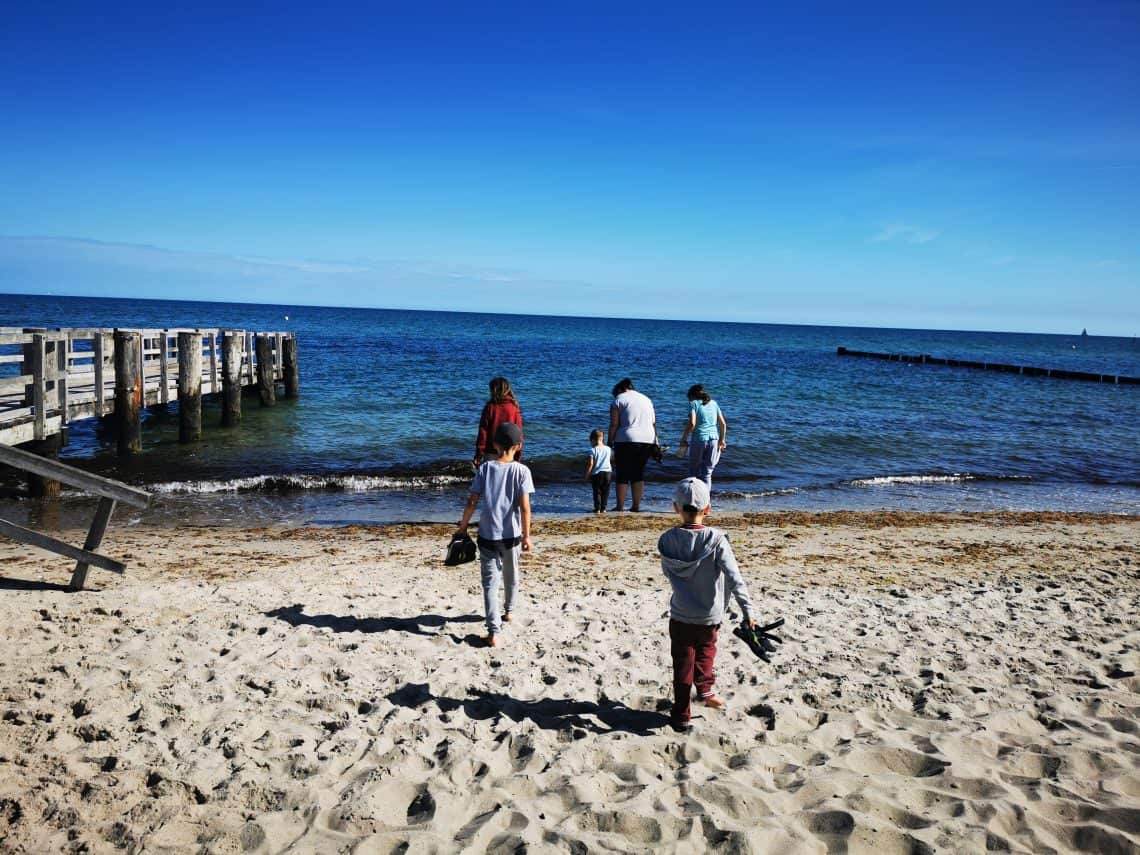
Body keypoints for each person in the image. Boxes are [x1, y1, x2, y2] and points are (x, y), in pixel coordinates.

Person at [658, 477, 756, 733]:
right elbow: (734, 577)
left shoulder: (666, 540)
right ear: (708, 508)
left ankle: (680, 716)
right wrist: (748, 611)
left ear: (675, 508)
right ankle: (705, 689)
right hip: (709, 614)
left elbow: (669, 574)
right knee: (706, 651)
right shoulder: (717, 539)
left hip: (680, 612)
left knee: (682, 662)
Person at [457, 422, 534, 648]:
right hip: (512, 535)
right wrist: (527, 536)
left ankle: (493, 632)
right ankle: (509, 612)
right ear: (519, 446)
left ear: (495, 444)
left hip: (488, 535)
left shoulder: (485, 469)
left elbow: (472, 501)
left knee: (490, 583)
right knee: (512, 575)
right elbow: (525, 507)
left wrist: (463, 526)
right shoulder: (522, 471)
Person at [607, 378, 657, 512]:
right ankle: (636, 506)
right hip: (648, 438)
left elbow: (614, 424)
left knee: (622, 473)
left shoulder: (618, 400)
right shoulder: (647, 399)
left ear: (619, 390)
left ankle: (620, 506)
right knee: (638, 473)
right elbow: (653, 423)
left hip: (626, 439)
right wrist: (656, 442)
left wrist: (609, 443)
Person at [678, 383, 727, 490]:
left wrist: (684, 438)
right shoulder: (714, 403)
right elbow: (723, 424)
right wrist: (722, 440)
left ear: (692, 396)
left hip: (699, 439)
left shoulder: (694, 404)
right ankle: (706, 501)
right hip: (714, 439)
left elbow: (692, 423)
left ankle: (692, 499)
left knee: (693, 472)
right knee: (707, 473)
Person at [474, 377, 523, 467]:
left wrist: (479, 453)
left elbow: (483, 432)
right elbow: (518, 434)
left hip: (491, 452)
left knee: (488, 479)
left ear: (494, 390)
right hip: (509, 454)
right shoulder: (514, 408)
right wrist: (518, 456)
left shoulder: (490, 407)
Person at [584, 429, 613, 513]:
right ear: (602, 438)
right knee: (605, 491)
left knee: (597, 492)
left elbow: (591, 464)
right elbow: (612, 459)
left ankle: (597, 508)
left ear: (592, 440)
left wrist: (587, 475)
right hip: (608, 473)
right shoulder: (608, 449)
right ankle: (603, 508)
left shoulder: (592, 450)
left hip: (597, 474)